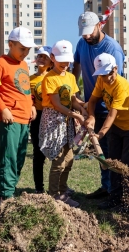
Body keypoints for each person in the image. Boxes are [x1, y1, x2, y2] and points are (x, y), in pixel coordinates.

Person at [72, 12, 125, 199]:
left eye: (89, 32)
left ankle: (116, 190)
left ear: (99, 26)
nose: (86, 36)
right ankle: (106, 186)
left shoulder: (113, 49)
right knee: (100, 147)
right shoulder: (82, 43)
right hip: (92, 106)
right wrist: (75, 89)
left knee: (112, 151)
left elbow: (116, 82)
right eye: (83, 33)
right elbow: (76, 64)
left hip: (111, 108)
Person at [85, 53, 129, 210]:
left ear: (115, 69)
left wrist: (101, 133)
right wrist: (91, 116)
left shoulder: (121, 85)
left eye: (109, 74)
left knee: (127, 164)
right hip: (117, 126)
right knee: (112, 162)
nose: (106, 78)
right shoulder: (101, 80)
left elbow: (112, 113)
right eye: (102, 75)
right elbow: (92, 100)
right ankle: (115, 198)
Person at [39, 40, 86, 207]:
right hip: (54, 119)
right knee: (59, 159)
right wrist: (77, 115)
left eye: (67, 61)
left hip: (67, 120)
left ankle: (63, 189)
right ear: (52, 58)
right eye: (61, 60)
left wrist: (82, 108)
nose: (65, 64)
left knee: (69, 157)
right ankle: (54, 194)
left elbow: (73, 99)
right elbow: (57, 104)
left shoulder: (71, 77)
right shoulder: (49, 78)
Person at [0, 27, 36, 202]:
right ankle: (6, 195)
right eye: (22, 48)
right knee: (9, 157)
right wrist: (3, 108)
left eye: (28, 49)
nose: (25, 53)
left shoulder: (24, 64)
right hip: (10, 118)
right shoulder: (0, 63)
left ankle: (11, 189)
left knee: (19, 157)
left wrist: (32, 105)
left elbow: (24, 89)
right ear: (10, 44)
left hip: (25, 117)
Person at [29, 46, 53, 194]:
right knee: (38, 154)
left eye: (45, 57)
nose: (41, 59)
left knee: (56, 154)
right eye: (39, 56)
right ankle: (39, 187)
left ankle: (58, 186)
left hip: (52, 117)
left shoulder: (53, 77)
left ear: (51, 61)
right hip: (37, 118)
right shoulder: (30, 79)